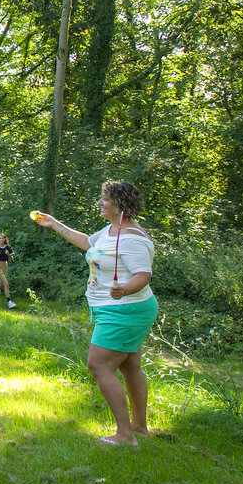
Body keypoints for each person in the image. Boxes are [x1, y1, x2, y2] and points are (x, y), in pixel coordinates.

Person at [34, 180, 158, 448]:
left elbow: (143, 275)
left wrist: (124, 289)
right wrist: (55, 224)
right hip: (119, 308)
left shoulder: (131, 238)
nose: (100, 203)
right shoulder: (111, 230)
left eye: (105, 199)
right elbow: (88, 242)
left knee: (99, 364)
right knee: (129, 365)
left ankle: (125, 436)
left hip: (124, 309)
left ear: (120, 205)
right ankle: (139, 427)